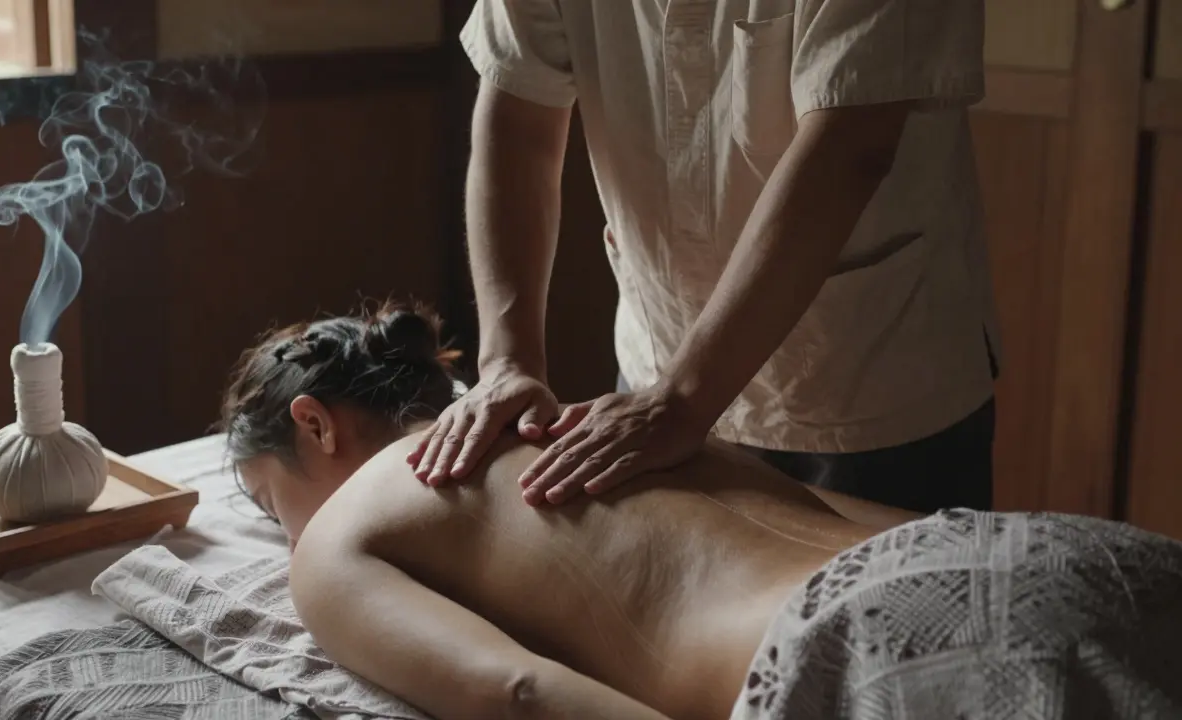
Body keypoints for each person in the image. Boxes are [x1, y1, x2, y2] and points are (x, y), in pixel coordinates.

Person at [222, 304, 1182, 720]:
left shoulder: (345, 534)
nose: (289, 537)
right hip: (1045, 555)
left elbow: (515, 694)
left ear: (316, 426)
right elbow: (856, 517)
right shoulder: (608, 420)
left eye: (272, 508)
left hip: (878, 647)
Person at [408, 0, 1000, 515]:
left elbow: (848, 146)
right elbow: (520, 119)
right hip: (655, 362)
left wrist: (682, 401)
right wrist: (507, 359)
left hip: (868, 385)